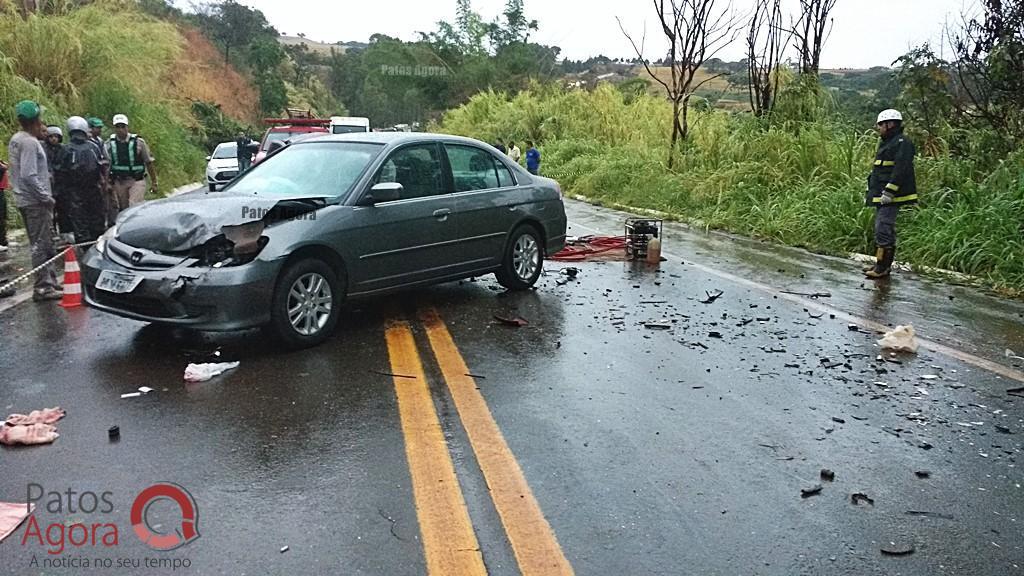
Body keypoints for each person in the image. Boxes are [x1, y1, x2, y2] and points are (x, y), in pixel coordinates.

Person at [8, 100, 61, 301]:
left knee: (45, 242)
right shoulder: (30, 143)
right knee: (41, 243)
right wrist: (45, 197)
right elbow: (29, 175)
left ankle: (50, 281)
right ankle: (43, 287)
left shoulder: (17, 138)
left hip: (24, 199)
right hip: (35, 202)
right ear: (36, 120)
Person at [864, 109, 917, 279]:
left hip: (891, 196)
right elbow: (881, 169)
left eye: (880, 125)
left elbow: (901, 169)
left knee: (883, 228)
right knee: (882, 228)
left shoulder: (902, 142)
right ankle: (881, 265)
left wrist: (889, 190)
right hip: (882, 194)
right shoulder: (889, 142)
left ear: (889, 124)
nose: (879, 128)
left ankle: (882, 267)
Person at [56, 117, 105, 245]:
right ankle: (97, 244)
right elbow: (102, 167)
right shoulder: (93, 147)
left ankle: (86, 246)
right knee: (96, 220)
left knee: (80, 222)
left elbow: (60, 171)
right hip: (93, 189)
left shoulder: (66, 149)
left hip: (74, 191)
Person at [106, 114, 157, 217]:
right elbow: (106, 165)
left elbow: (149, 162)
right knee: (123, 209)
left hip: (136, 180)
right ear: (114, 128)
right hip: (119, 181)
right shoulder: (109, 144)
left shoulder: (139, 143)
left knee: (133, 206)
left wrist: (154, 182)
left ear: (127, 127)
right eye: (118, 127)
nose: (120, 130)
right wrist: (107, 182)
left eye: (123, 126)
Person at [43, 125, 72, 242]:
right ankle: (52, 232)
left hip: (62, 184)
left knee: (64, 210)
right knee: (51, 212)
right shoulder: (44, 149)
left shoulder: (64, 149)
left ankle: (65, 232)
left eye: (56, 136)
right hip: (50, 184)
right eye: (51, 137)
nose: (53, 139)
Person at [86, 117, 111, 221]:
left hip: (102, 173)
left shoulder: (100, 141)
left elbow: (106, 158)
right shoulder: (87, 142)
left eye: (100, 127)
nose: (100, 130)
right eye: (97, 128)